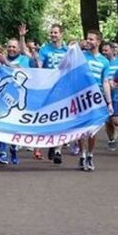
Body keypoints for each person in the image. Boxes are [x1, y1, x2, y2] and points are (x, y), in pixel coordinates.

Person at [0, 37, 33, 165]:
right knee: (1, 124)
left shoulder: (24, 60)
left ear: (19, 49)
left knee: (15, 127)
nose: (11, 49)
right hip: (2, 97)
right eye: (9, 46)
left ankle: (14, 149)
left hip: (17, 101)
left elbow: (20, 74)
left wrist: (5, 63)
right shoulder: (1, 59)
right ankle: (3, 153)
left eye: (14, 47)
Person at [79, 29, 113, 171]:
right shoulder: (81, 56)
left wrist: (109, 102)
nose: (88, 41)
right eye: (87, 38)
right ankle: (82, 155)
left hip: (96, 98)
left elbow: (105, 82)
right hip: (81, 96)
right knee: (81, 129)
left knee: (93, 130)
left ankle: (90, 155)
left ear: (98, 42)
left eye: (92, 39)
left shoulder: (104, 62)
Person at [38, 24, 68, 162]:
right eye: (51, 33)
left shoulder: (68, 50)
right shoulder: (45, 49)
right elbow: (39, 65)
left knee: (61, 118)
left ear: (61, 34)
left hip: (63, 89)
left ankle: (58, 151)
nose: (53, 35)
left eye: (56, 32)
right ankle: (52, 143)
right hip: (48, 89)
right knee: (49, 119)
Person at [102, 42, 118, 151]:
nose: (104, 52)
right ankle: (112, 140)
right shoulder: (102, 62)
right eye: (103, 50)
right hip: (103, 94)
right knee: (107, 120)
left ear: (112, 50)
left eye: (106, 50)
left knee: (115, 119)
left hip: (117, 94)